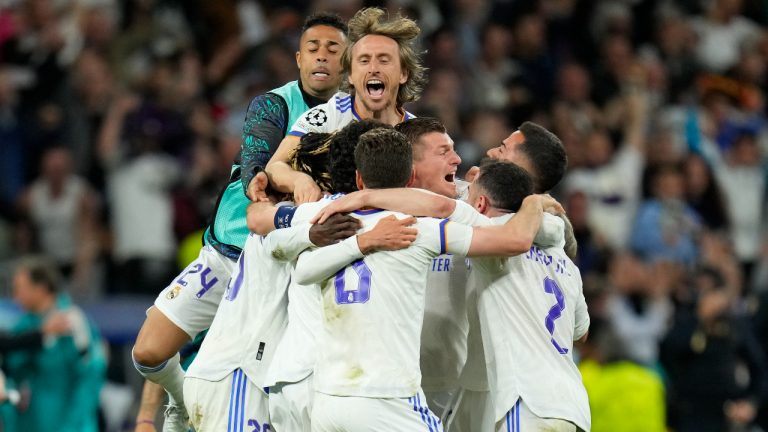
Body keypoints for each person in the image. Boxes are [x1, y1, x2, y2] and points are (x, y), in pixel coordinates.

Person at [130, 12, 348, 431]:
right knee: (148, 352)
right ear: (299, 58)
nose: (322, 57)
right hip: (229, 250)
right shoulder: (274, 103)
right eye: (313, 49)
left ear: (346, 61)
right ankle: (181, 398)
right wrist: (258, 183)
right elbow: (255, 159)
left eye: (333, 49)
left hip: (282, 270)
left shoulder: (351, 117)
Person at [258, 129, 560, 431]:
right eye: (443, 151)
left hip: (329, 396)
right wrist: (534, 203)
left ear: (361, 178)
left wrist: (354, 237)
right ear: (409, 179)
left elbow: (286, 255)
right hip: (390, 395)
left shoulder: (325, 220)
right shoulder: (421, 229)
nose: (457, 159)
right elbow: (515, 239)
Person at [182, 127, 416, 431]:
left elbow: (263, 221)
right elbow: (273, 229)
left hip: (248, 372)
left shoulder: (283, 216)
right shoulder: (313, 214)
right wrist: (315, 231)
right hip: (239, 371)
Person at [261, 7, 426, 204]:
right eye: (364, 61)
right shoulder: (327, 116)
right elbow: (275, 166)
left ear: (403, 74)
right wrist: (300, 180)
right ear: (351, 75)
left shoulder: (418, 134)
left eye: (384, 60)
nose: (373, 69)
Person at [3, 256, 106, 432]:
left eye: (20, 288)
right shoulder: (21, 328)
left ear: (41, 288)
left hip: (67, 424)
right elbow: (10, 377)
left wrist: (75, 426)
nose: (15, 297)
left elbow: (91, 373)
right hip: (29, 424)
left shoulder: (73, 322)